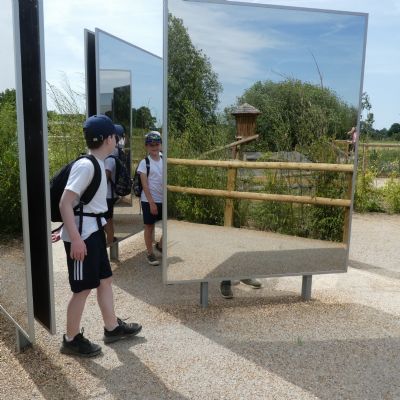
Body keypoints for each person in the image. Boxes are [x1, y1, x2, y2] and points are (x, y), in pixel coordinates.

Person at [59, 114, 142, 357]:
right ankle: (71, 339)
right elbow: (65, 203)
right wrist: (76, 239)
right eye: (115, 136)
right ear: (108, 139)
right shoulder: (86, 166)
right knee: (82, 289)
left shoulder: (97, 162)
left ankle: (112, 328)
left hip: (92, 232)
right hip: (82, 236)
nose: (118, 139)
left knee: (105, 280)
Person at [137, 131, 163, 266]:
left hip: (163, 199)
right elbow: (145, 185)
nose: (154, 147)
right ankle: (150, 253)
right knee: (149, 226)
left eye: (157, 144)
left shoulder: (164, 159)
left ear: (161, 145)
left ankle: (160, 245)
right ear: (146, 146)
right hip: (148, 200)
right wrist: (152, 203)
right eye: (151, 145)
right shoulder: (144, 163)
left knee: (169, 225)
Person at [104, 124, 125, 245]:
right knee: (109, 219)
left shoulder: (110, 158)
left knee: (107, 220)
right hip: (111, 194)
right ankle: (111, 240)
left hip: (107, 195)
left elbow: (105, 178)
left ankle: (110, 241)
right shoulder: (117, 152)